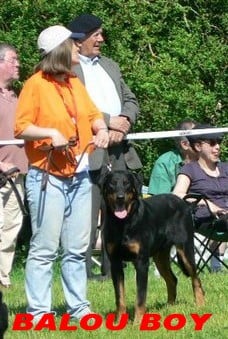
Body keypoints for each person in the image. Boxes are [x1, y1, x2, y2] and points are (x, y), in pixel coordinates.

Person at [14, 25, 109, 322]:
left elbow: (93, 116)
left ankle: (79, 309)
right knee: (44, 248)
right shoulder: (35, 85)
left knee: (77, 248)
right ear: (60, 50)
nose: (79, 48)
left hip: (79, 175)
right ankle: (39, 313)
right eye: (74, 44)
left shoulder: (74, 83)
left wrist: (103, 129)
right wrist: (50, 133)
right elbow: (22, 127)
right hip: (47, 176)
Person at [68, 14, 142, 280]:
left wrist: (125, 122)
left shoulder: (110, 65)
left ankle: (114, 273)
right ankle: (83, 276)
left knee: (119, 214)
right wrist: (109, 123)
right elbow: (76, 108)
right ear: (80, 39)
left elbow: (131, 99)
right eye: (95, 34)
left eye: (101, 33)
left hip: (120, 152)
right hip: (89, 151)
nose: (101, 39)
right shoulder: (68, 67)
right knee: (84, 220)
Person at [173, 123, 228, 272]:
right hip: (206, 220)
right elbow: (177, 194)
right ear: (198, 146)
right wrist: (207, 203)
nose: (217, 147)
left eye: (219, 143)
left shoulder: (225, 168)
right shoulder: (190, 169)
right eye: (212, 143)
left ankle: (216, 264)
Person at [0, 43, 28, 288]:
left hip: (17, 175)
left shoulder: (16, 96)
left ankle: (3, 279)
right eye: (13, 59)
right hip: (0, 174)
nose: (18, 64)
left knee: (11, 228)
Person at [148, 118, 197, 195]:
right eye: (197, 138)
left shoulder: (210, 160)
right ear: (185, 144)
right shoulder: (165, 162)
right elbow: (160, 199)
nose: (204, 141)